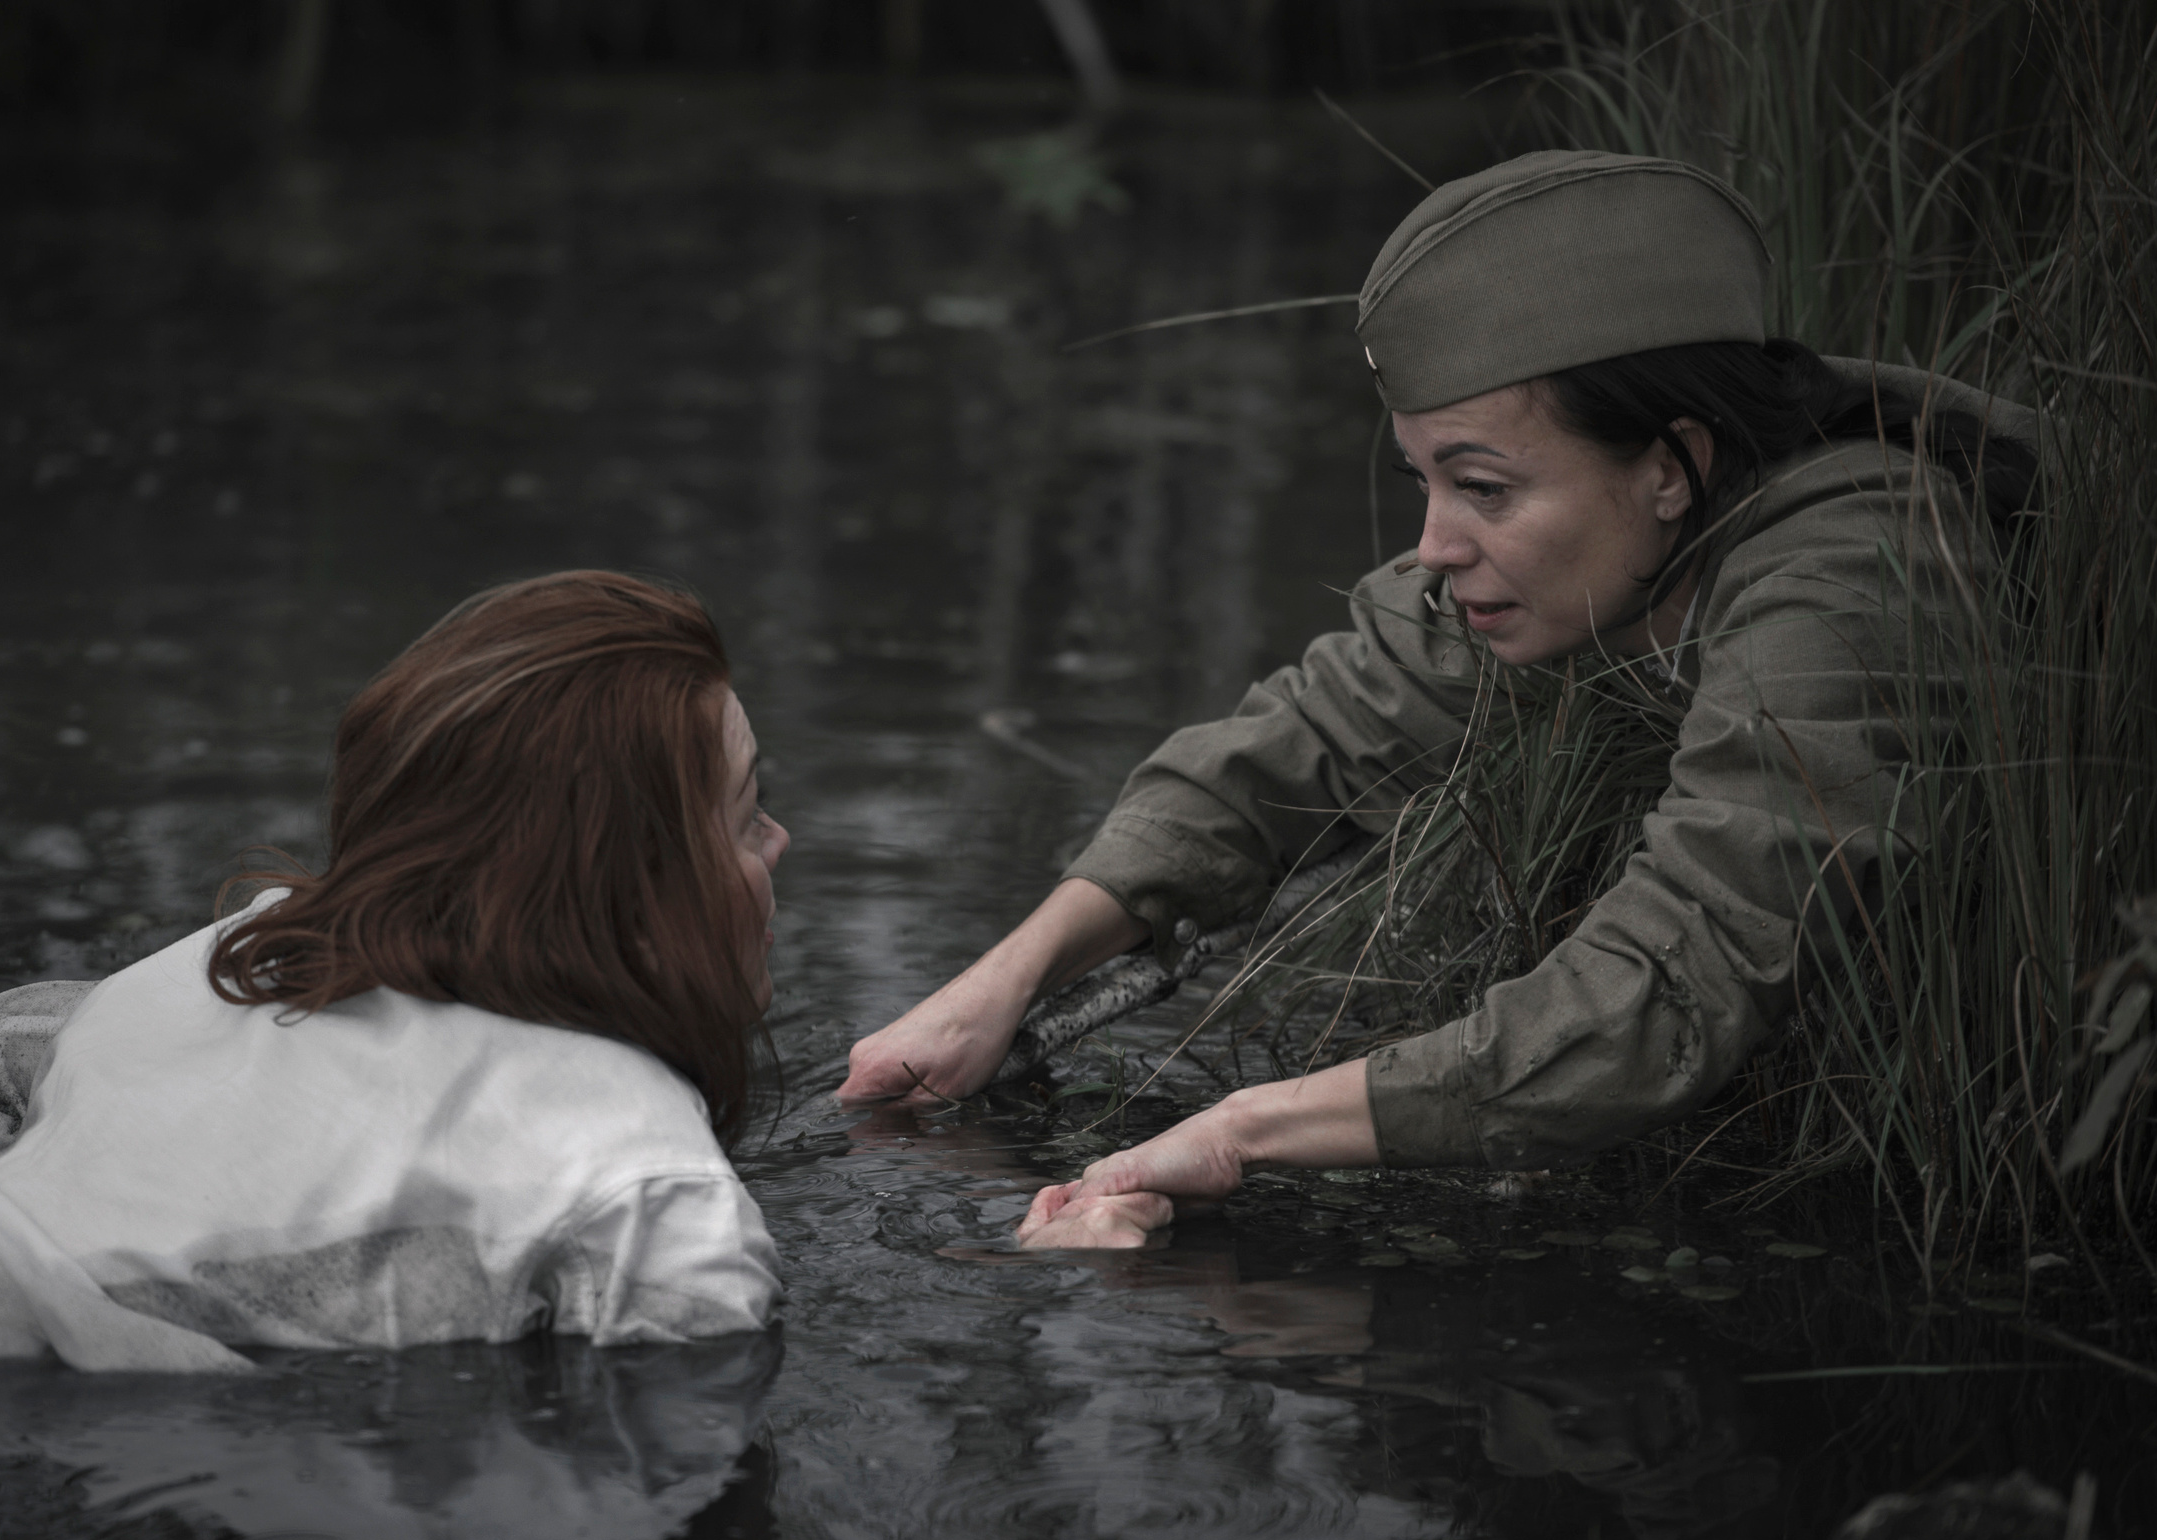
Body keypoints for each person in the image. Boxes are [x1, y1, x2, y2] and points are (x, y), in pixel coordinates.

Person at [839, 151, 2034, 1249]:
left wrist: (1243, 1129)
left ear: (1671, 468)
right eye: (1422, 481)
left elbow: (1665, 994)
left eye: (1482, 489)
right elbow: (1293, 746)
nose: (1434, 547)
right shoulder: (1584, 558)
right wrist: (996, 985)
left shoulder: (1861, 580)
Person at [0, 571, 788, 1375]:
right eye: (743, 821)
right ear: (631, 900)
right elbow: (678, 1405)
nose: (779, 845)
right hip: (42, 1397)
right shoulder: (644, 1182)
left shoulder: (243, 960)